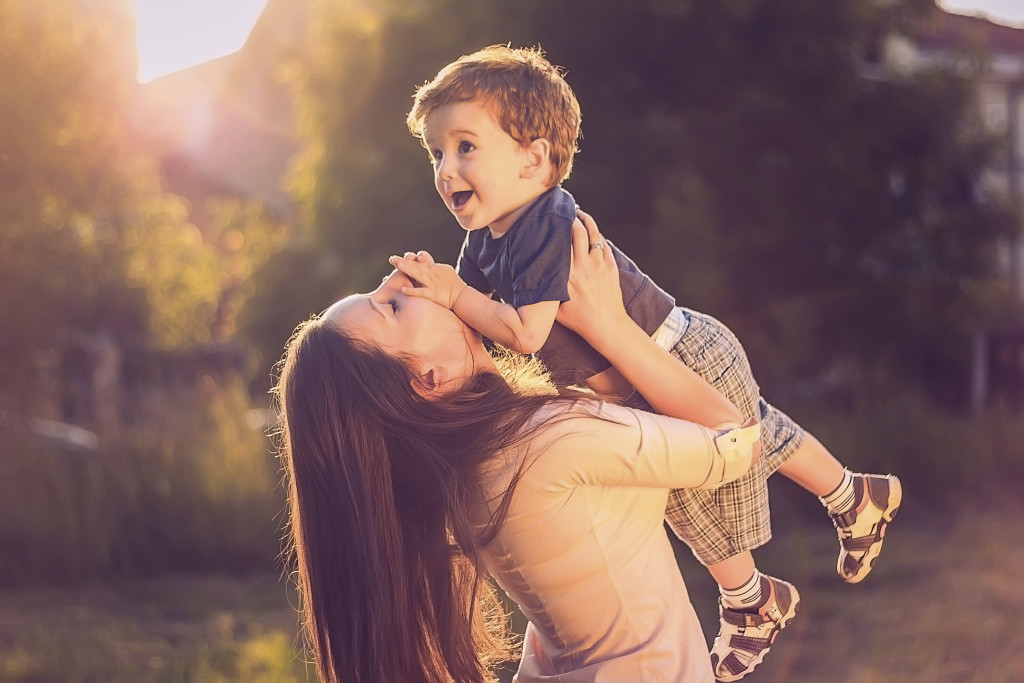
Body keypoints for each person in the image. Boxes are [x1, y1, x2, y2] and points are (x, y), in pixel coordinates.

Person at [399, 44, 903, 680]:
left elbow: (525, 333)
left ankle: (752, 601)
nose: (446, 169)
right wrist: (426, 304)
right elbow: (473, 323)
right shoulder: (484, 243)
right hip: (638, 377)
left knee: (702, 488)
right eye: (436, 153)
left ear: (534, 158)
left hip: (674, 352)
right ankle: (855, 495)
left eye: (465, 146)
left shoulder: (547, 223)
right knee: (756, 436)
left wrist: (452, 292)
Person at [276, 216, 762, 682]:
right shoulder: (549, 439)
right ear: (427, 379)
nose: (402, 277)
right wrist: (609, 325)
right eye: (392, 307)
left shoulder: (470, 470)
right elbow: (736, 443)